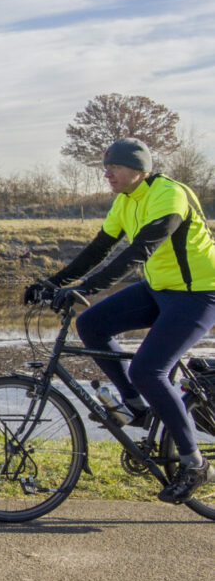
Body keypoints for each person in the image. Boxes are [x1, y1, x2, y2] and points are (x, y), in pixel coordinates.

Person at [25, 138, 215, 504]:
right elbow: (99, 249)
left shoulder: (168, 195)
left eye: (115, 167)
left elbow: (139, 251)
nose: (107, 172)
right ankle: (136, 405)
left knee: (149, 369)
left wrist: (87, 288)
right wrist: (54, 283)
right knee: (92, 325)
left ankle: (193, 463)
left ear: (138, 169)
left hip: (199, 293)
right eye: (105, 167)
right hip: (160, 289)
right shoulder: (125, 202)